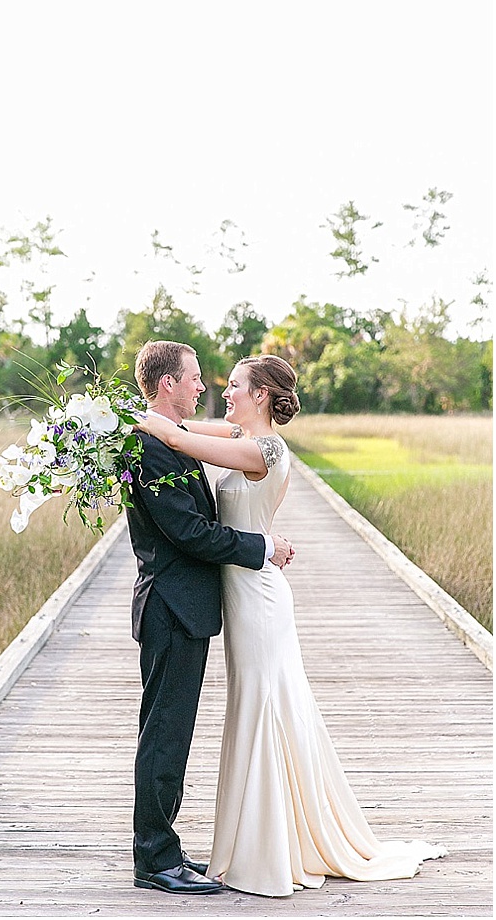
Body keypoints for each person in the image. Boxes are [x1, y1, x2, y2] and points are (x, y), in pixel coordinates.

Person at [137, 353, 448, 898]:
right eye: (204, 380)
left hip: (256, 599)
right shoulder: (236, 433)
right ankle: (197, 848)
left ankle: (267, 845)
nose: (220, 390)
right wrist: (121, 420)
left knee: (266, 709)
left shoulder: (263, 447)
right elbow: (181, 430)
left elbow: (181, 437)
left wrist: (118, 419)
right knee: (250, 710)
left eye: (233, 385)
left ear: (260, 396)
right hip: (227, 594)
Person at [125, 340, 294, 896]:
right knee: (165, 734)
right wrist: (260, 546)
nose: (206, 386)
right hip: (172, 607)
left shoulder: (184, 440)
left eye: (219, 382)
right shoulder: (150, 447)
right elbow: (189, 533)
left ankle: (165, 849)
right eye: (195, 378)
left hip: (197, 607)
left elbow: (191, 445)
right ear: (167, 383)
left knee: (174, 732)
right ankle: (154, 858)